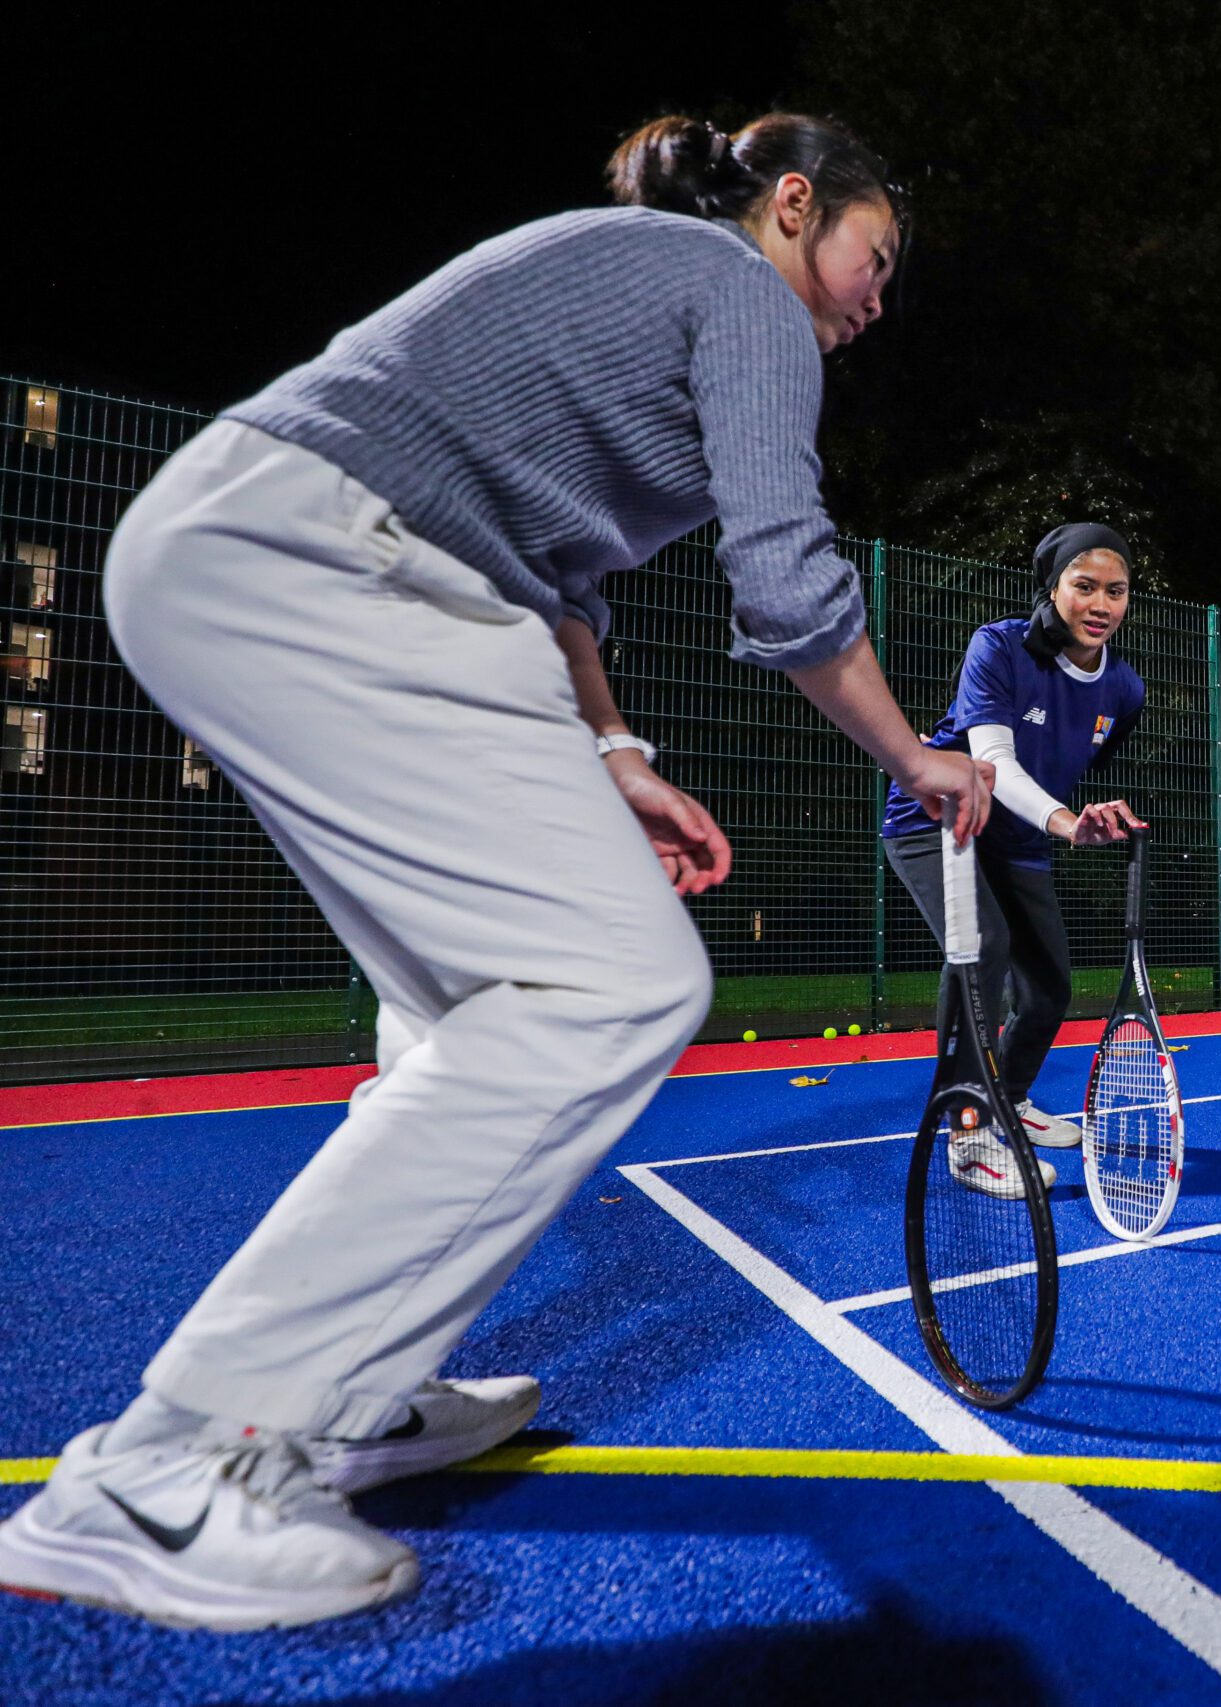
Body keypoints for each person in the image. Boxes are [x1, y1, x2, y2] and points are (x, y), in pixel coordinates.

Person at [0, 112, 991, 1632]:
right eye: (875, 256)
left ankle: (356, 1386)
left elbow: (562, 581)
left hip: (278, 547)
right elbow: (789, 578)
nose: (876, 297)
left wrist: (610, 754)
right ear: (797, 206)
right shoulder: (739, 296)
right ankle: (165, 1467)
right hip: (328, 558)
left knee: (472, 1004)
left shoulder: (642, 285)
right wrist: (915, 756)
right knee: (620, 983)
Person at [881, 523, 1147, 1198]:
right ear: (1053, 587)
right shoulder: (997, 646)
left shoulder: (1124, 690)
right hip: (939, 821)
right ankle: (969, 1134)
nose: (1101, 603)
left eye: (1116, 591)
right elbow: (994, 761)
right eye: (1084, 585)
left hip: (1019, 839)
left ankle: (1011, 1099)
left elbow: (1069, 764)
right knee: (983, 948)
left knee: (1050, 985)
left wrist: (1068, 816)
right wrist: (1063, 822)